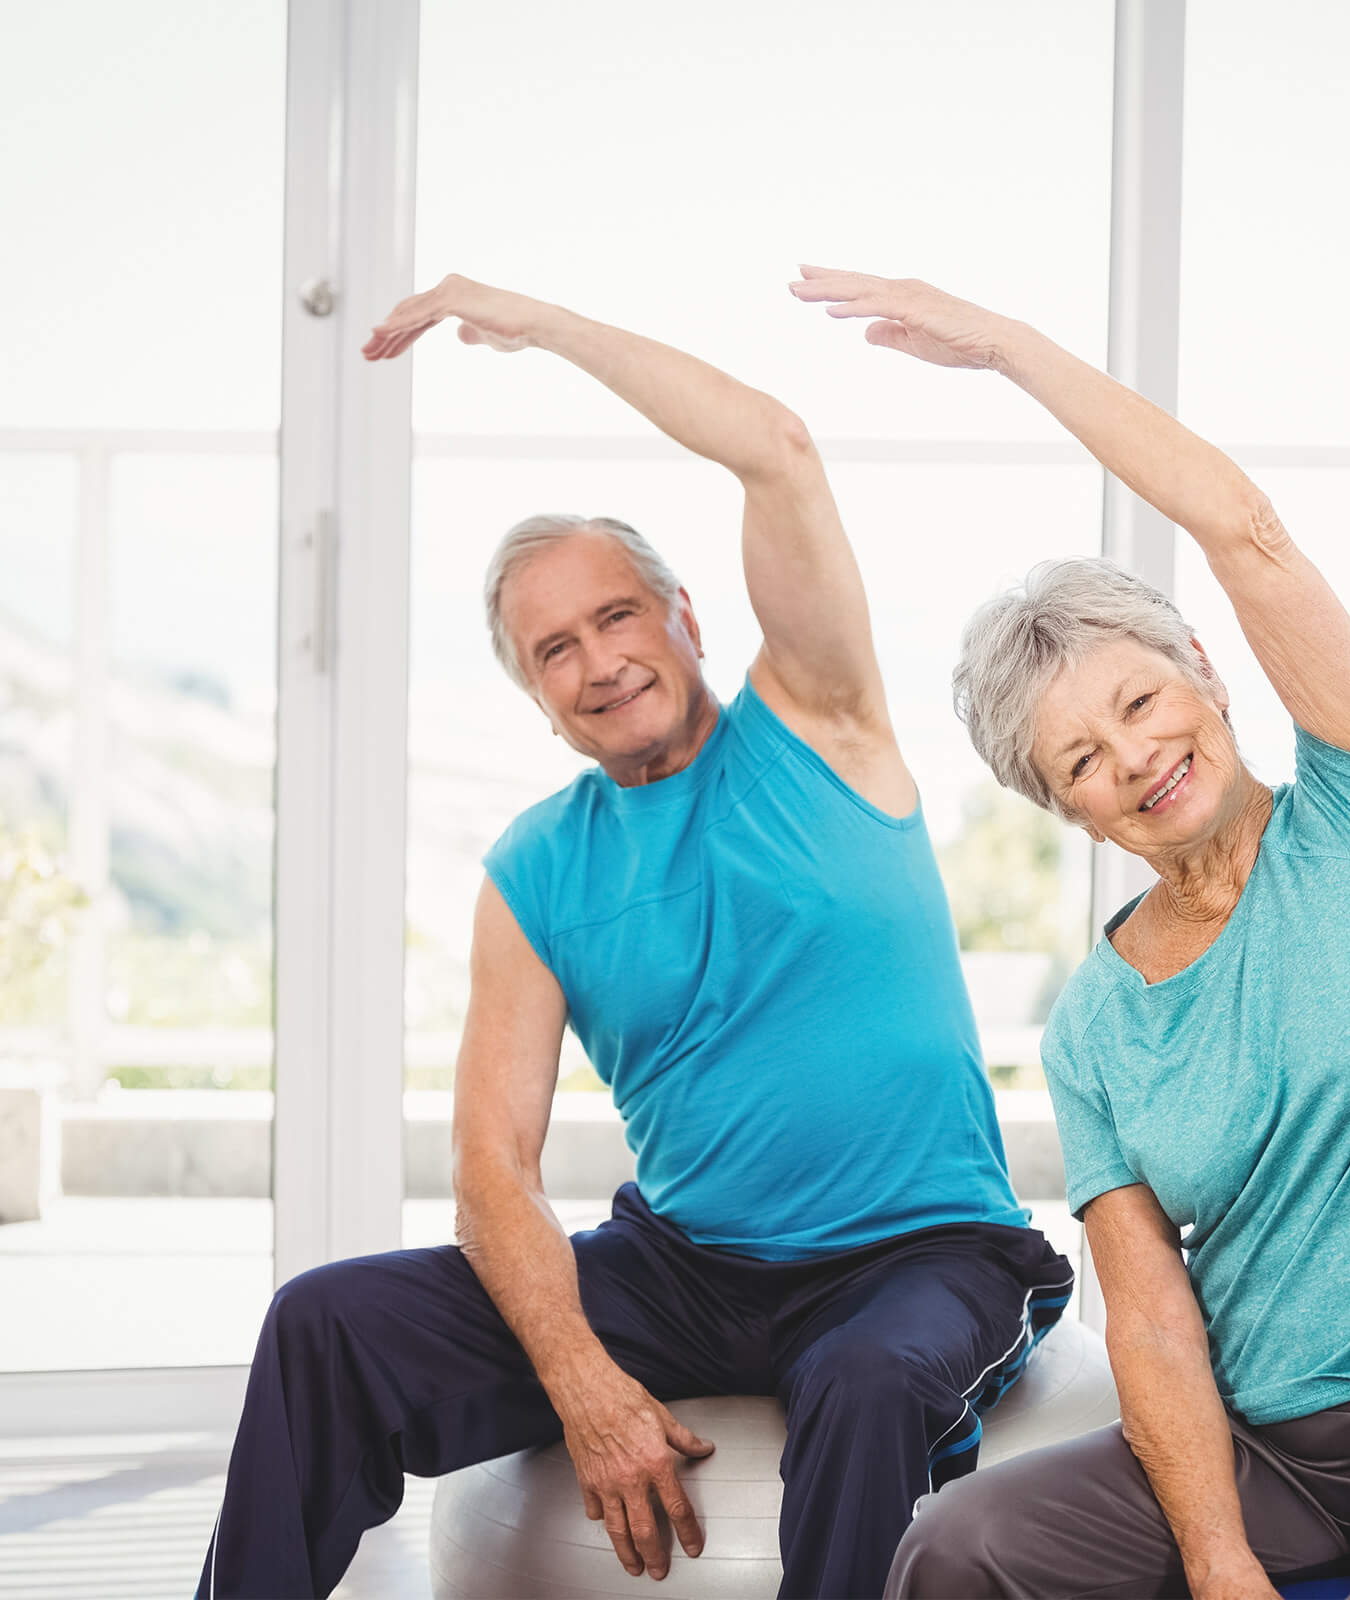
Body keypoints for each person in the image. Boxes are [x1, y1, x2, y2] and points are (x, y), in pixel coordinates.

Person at [196, 274, 1073, 1600]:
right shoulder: (537, 869)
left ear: (686, 620)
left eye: (617, 617)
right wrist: (582, 1380)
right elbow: (493, 1162)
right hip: (686, 1268)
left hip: (919, 1253)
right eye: (554, 650)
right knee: (326, 1322)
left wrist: (542, 329)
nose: (599, 663)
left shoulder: (824, 727)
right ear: (540, 702)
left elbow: (774, 446)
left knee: (870, 1379)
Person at [791, 268, 1350, 1600]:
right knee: (951, 1549)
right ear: (1063, 807)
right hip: (1276, 1451)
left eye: (1139, 699)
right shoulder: (1099, 1024)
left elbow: (1247, 531)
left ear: (1201, 663)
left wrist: (1013, 350)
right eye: (1080, 756)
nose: (1133, 756)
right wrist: (1218, 1556)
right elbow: (1153, 1316)